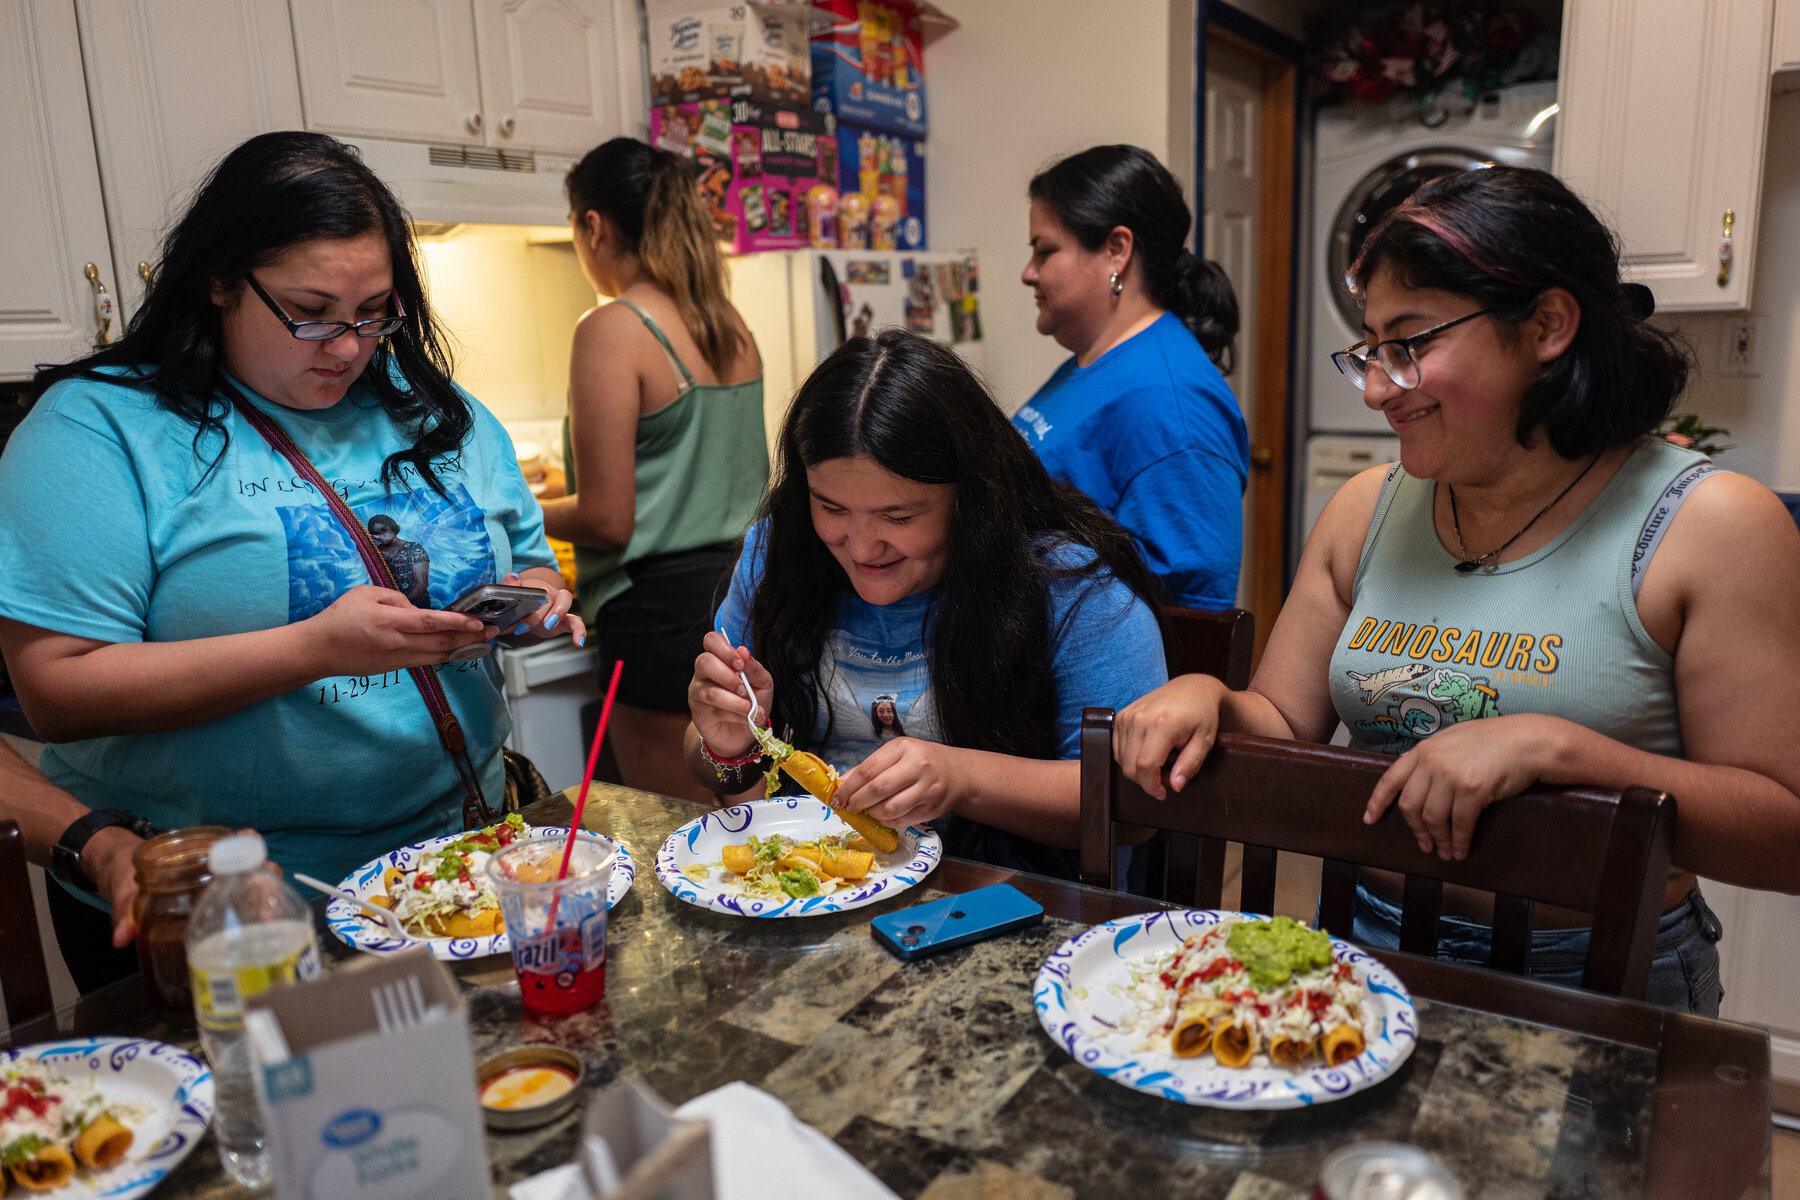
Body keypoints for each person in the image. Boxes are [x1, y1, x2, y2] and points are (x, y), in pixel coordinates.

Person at [1113, 166, 1800, 1014]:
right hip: (1367, 947)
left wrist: (1560, 751)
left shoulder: (1712, 526)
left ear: (1548, 323)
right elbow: (1286, 723)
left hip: (1596, 973)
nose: (1375, 389)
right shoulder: (1365, 511)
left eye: (1411, 344)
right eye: (1372, 349)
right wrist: (1209, 696)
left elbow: (1784, 833)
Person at [0, 131, 583, 990]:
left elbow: (532, 562)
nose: (347, 347)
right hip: (240, 911)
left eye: (375, 313)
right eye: (310, 311)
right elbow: (57, 691)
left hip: (464, 860)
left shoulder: (434, 409)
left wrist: (533, 599)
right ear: (220, 279)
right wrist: (312, 650)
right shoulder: (98, 429)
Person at [685, 330, 1169, 880]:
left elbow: (1132, 813)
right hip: (815, 892)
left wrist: (961, 779)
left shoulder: (1072, 590)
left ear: (971, 498)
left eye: (899, 518)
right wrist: (729, 747)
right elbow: (718, 768)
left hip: (1010, 903)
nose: (863, 547)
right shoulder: (779, 553)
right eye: (832, 508)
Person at [540, 137, 767, 805]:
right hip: (743, 594)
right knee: (741, 819)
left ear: (593, 227)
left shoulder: (611, 327)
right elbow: (698, 473)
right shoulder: (730, 324)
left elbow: (610, 519)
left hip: (659, 614)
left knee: (674, 823)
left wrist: (517, 507)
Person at [1013, 144, 1250, 610]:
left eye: (1045, 251)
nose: (1028, 273)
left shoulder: (1172, 401)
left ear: (1116, 250)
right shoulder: (1093, 358)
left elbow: (1190, 618)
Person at [368, 513, 431, 605]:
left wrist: (401, 604)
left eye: (384, 530)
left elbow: (422, 583)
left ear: (392, 527)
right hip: (392, 606)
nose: (382, 535)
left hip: (419, 603)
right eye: (377, 533)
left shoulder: (414, 548)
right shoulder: (375, 554)